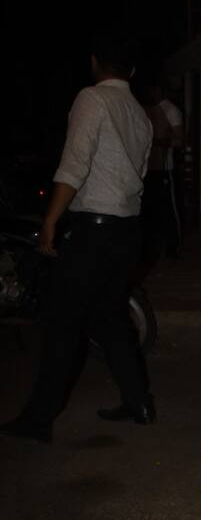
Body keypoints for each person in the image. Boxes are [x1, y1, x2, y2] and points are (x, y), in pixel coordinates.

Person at [0, 32, 155, 443]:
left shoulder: (92, 99)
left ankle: (37, 421)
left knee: (63, 322)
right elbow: (137, 173)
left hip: (95, 232)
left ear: (95, 63)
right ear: (133, 71)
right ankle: (139, 403)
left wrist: (51, 220)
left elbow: (74, 165)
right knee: (110, 317)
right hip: (128, 232)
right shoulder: (140, 113)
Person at [142, 81, 184, 262]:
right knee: (151, 210)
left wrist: (154, 142)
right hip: (147, 169)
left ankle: (173, 248)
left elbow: (179, 141)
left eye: (154, 87)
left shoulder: (171, 110)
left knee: (169, 209)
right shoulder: (144, 109)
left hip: (165, 168)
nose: (151, 91)